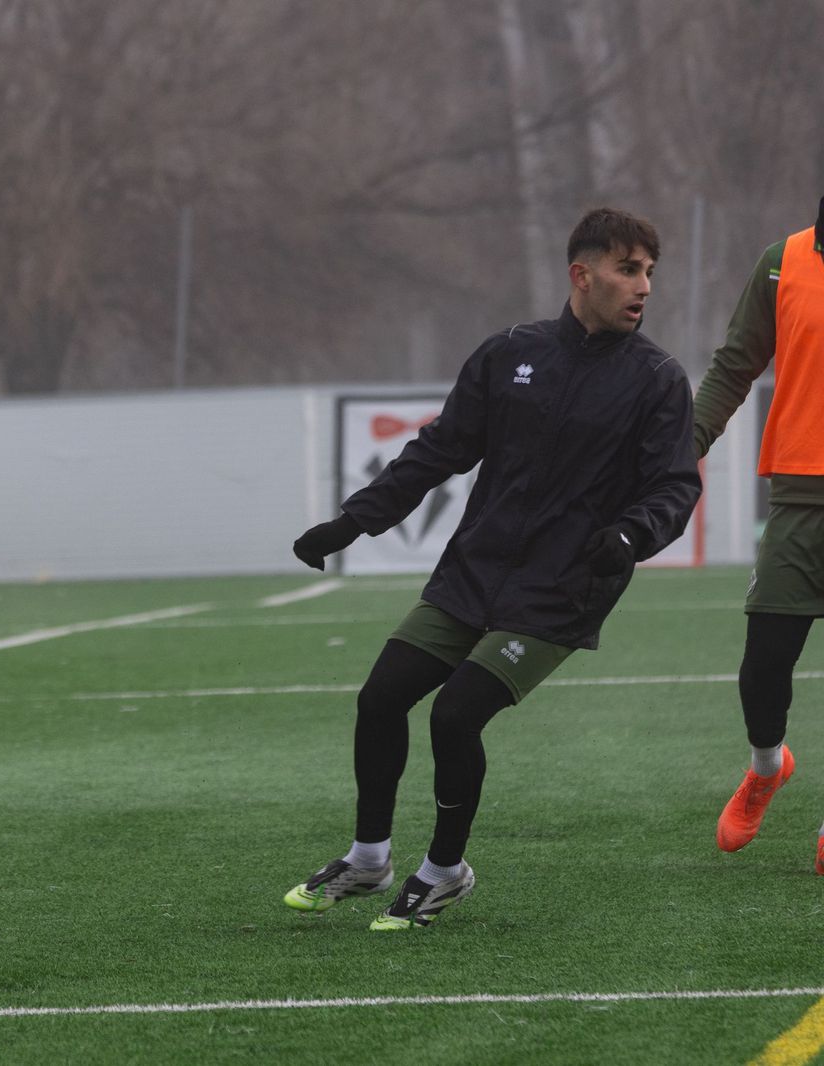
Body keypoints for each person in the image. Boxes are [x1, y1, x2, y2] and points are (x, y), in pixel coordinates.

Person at [283, 208, 701, 930]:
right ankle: (368, 858)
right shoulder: (510, 353)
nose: (644, 287)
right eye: (629, 270)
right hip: (475, 571)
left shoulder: (657, 378)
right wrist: (354, 521)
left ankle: (444, 873)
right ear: (583, 273)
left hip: (563, 590)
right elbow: (439, 450)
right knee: (381, 698)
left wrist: (631, 537)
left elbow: (674, 486)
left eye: (649, 274)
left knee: (455, 714)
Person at [694, 198, 824, 869]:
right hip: (800, 496)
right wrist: (683, 443)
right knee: (765, 661)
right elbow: (734, 364)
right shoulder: (783, 262)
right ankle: (767, 767)